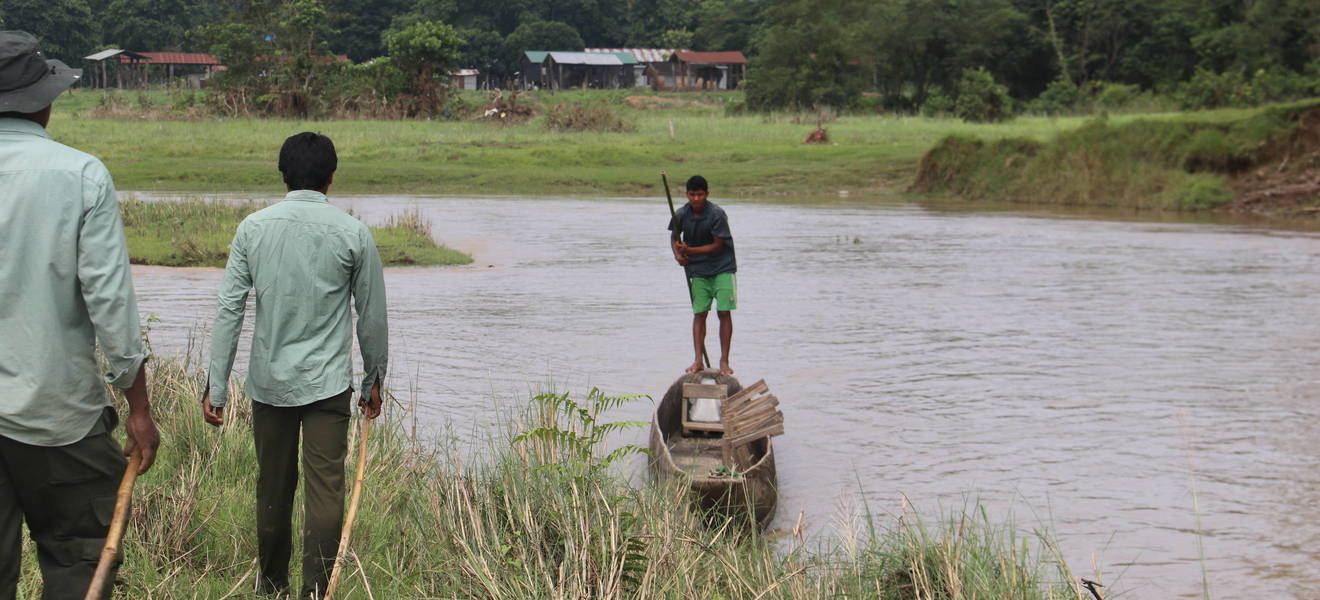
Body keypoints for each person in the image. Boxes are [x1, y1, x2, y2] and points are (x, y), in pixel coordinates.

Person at [0, 30, 160, 599]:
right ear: (43, 100)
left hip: (48, 412)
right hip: (57, 415)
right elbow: (111, 305)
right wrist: (138, 410)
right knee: (78, 560)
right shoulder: (81, 174)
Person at [202, 132, 388, 599]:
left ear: (284, 174)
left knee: (273, 488)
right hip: (328, 387)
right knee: (326, 490)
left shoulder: (253, 228)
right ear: (331, 177)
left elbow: (230, 309)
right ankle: (316, 591)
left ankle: (271, 587)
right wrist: (373, 380)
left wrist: (216, 386)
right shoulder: (353, 233)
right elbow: (372, 316)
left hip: (269, 382)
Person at [669, 175, 737, 375]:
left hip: (723, 268)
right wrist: (678, 255)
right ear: (687, 195)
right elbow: (674, 238)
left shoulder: (716, 214)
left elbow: (718, 245)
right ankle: (698, 360)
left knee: (724, 312)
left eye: (700, 195)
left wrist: (689, 251)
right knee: (699, 314)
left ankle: (724, 361)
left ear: (707, 194)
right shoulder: (681, 214)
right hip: (697, 270)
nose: (696, 199)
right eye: (692, 195)